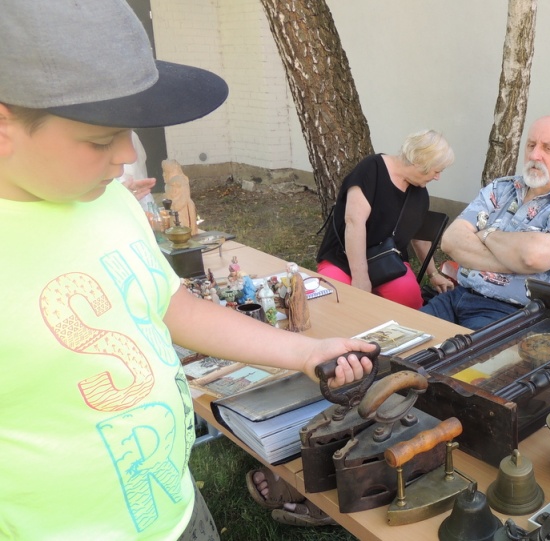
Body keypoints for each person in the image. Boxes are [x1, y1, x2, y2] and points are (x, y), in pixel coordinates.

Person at [0, 2, 376, 540]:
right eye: (98, 139)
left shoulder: (111, 203)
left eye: (127, 131)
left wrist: (305, 352)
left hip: (176, 507)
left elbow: (171, 306)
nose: (126, 154)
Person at [421, 115, 550, 330]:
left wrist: (486, 234)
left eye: (548, 148)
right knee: (398, 345)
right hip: (456, 296)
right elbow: (451, 241)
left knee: (448, 362)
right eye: (531, 145)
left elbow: (531, 257)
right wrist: (514, 261)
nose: (535, 155)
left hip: (514, 314)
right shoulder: (501, 188)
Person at [315, 130, 456, 309]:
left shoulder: (419, 193)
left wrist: (433, 273)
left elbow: (419, 239)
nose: (438, 177)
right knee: (331, 297)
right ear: (420, 162)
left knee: (409, 299)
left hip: (386, 261)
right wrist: (360, 278)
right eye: (437, 171)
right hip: (342, 257)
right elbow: (354, 222)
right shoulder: (371, 169)